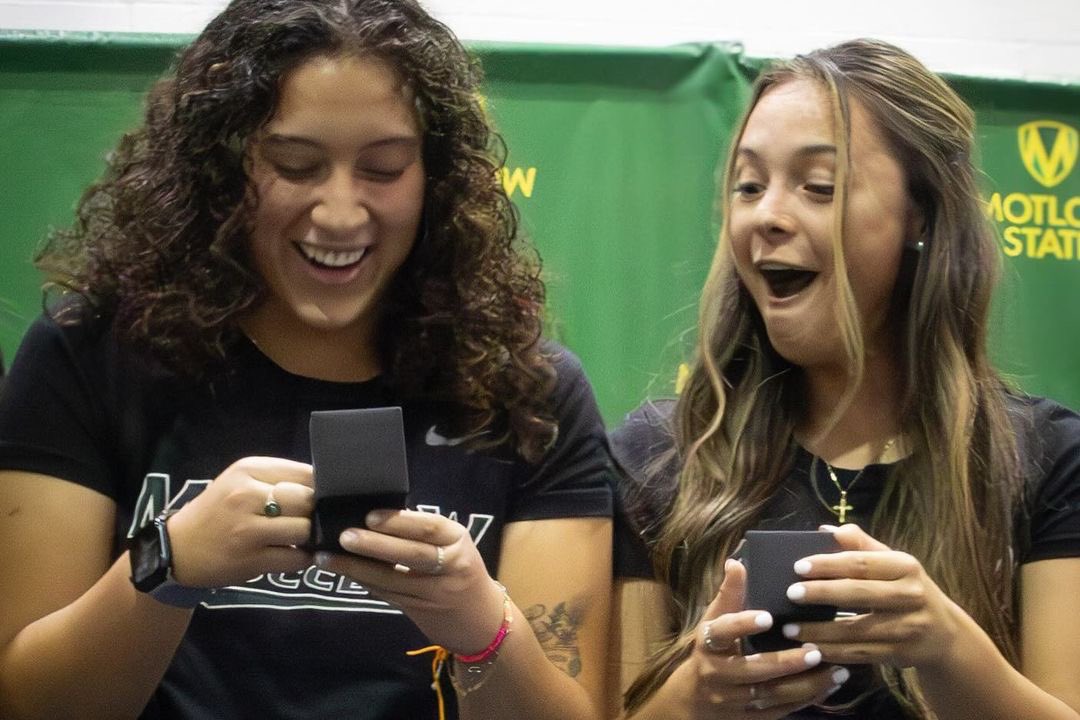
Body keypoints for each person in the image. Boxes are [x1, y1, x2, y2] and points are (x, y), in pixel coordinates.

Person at [0, 2, 614, 719]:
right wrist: (170, 566)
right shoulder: (89, 357)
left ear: (436, 176)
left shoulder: (529, 393)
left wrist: (479, 627)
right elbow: (29, 701)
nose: (341, 214)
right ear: (223, 166)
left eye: (384, 169)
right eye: (295, 165)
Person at [609, 39, 1080, 719]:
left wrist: (947, 647)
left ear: (919, 215)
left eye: (818, 187)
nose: (766, 215)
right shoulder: (657, 456)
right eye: (748, 185)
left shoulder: (1046, 461)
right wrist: (695, 697)